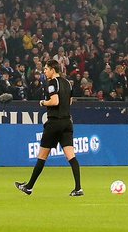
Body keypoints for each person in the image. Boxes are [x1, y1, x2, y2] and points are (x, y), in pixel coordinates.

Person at [15, 60, 83, 197]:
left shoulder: (52, 83)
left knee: (42, 156)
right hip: (67, 122)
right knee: (71, 156)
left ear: (53, 69)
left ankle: (29, 187)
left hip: (54, 123)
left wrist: (42, 102)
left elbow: (55, 101)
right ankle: (78, 188)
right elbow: (69, 101)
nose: (44, 72)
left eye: (46, 69)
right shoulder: (67, 83)